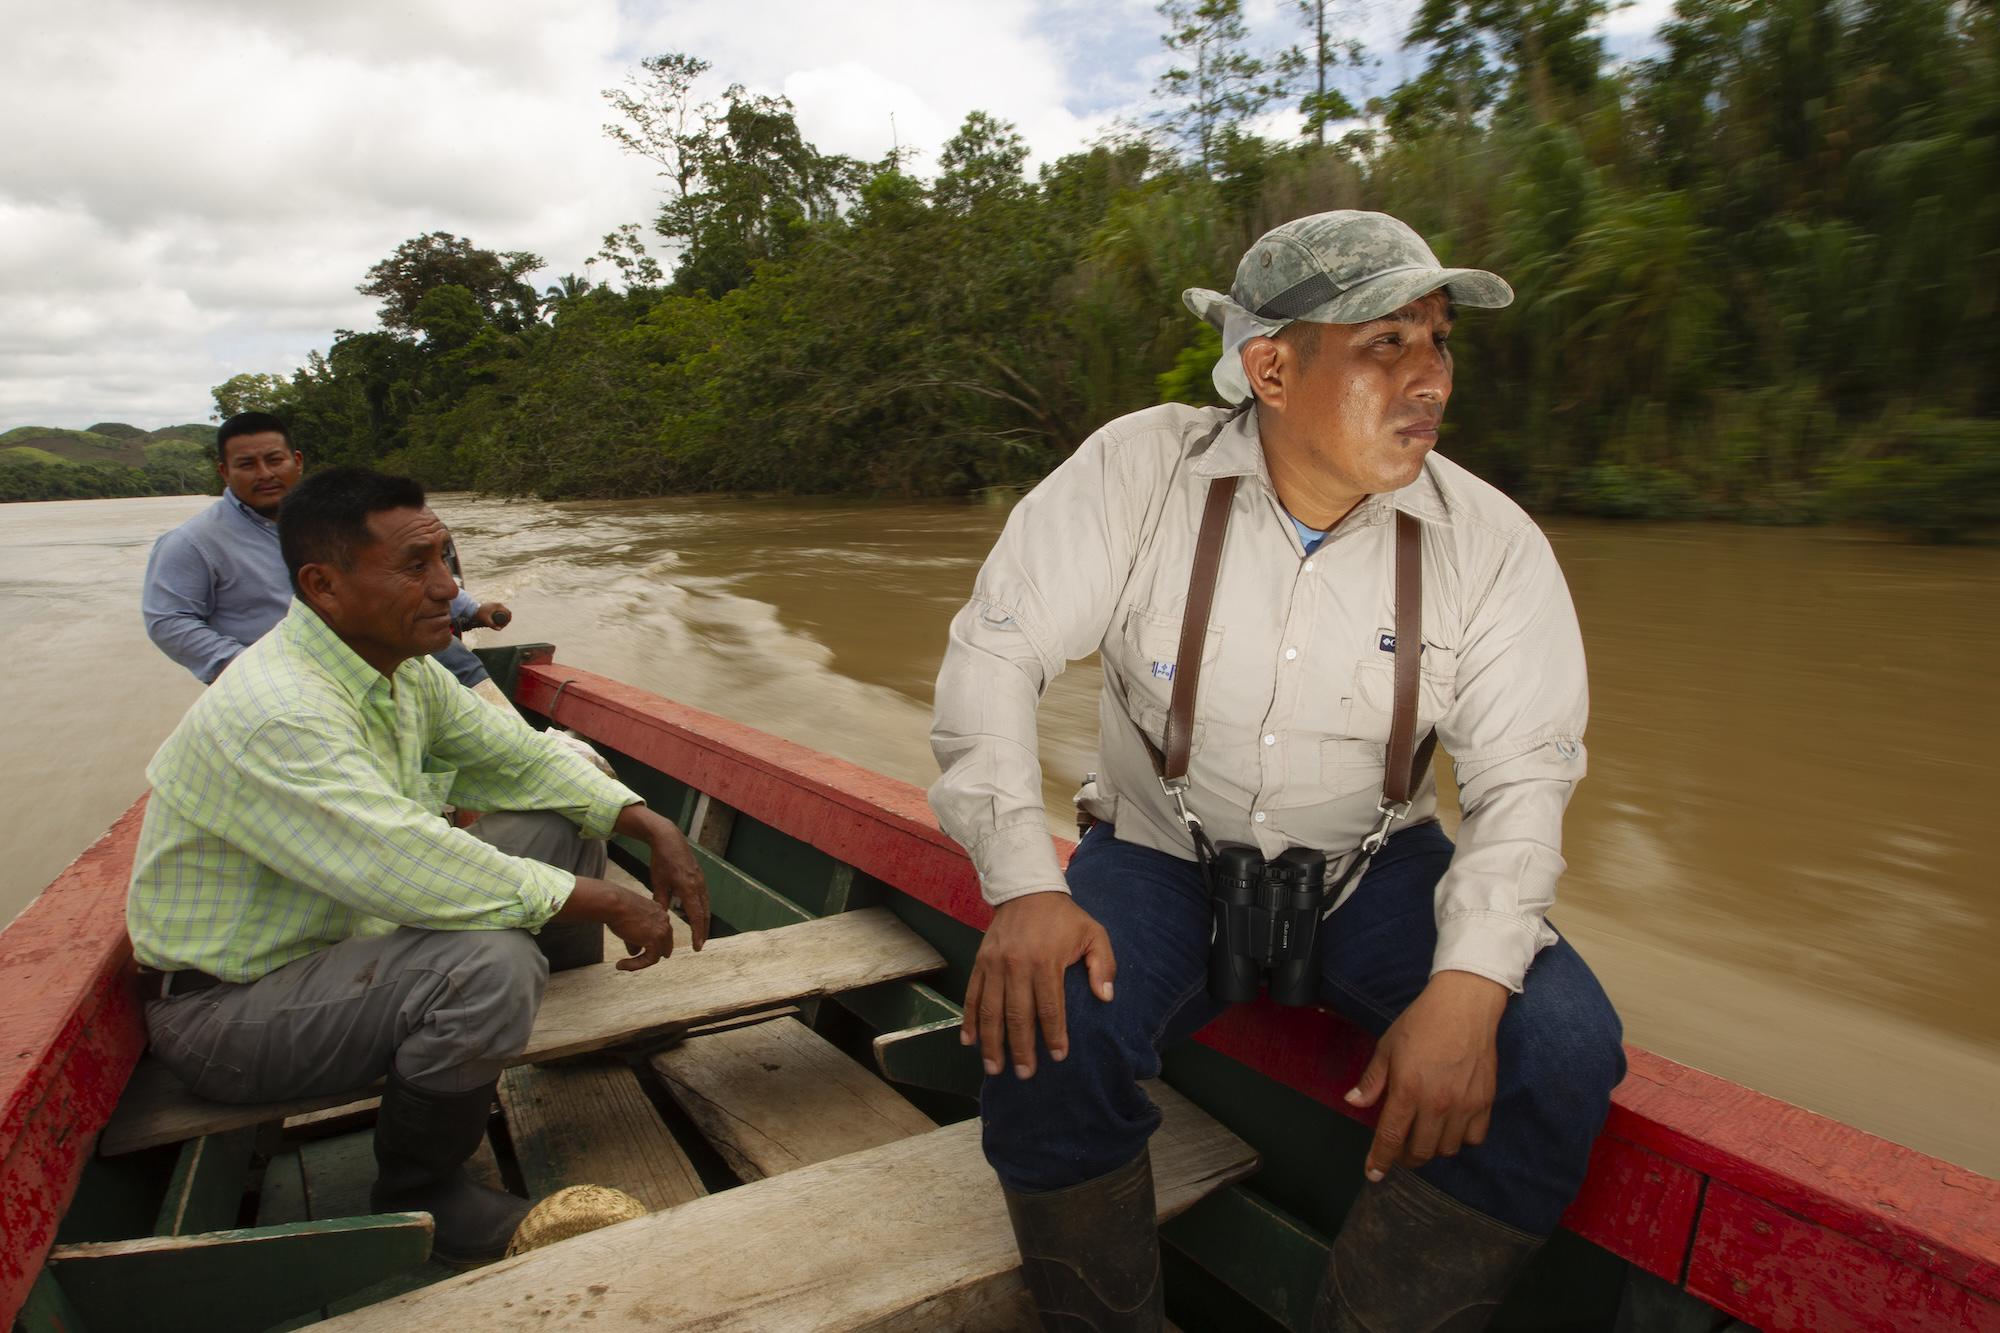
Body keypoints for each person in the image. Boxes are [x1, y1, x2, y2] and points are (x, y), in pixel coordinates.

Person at [929, 211, 1625, 1331]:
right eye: (1384, 344)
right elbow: (992, 656)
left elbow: (1523, 782)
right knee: (1044, 1023)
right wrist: (1023, 884)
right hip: (1159, 854)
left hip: (1377, 869)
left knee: (1554, 1050)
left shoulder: (1488, 543)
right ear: (1268, 368)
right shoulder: (1136, 470)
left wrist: (1470, 983)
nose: (1430, 380)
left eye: (1438, 342)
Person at [127, 466, 713, 1265]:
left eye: (446, 557)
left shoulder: (401, 669)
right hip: (232, 1013)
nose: (448, 587)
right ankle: (420, 1187)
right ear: (323, 585)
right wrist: (611, 900)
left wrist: (648, 823)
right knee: (488, 959)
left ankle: (577, 1030)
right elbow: (403, 864)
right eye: (416, 566)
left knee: (564, 806)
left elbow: (517, 758)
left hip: (345, 951)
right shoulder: (279, 709)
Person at [142, 411, 505, 688]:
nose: (264, 474)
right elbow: (169, 622)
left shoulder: (340, 521)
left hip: (372, 651)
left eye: (274, 460)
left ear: (296, 462)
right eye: (247, 465)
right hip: (286, 676)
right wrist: (243, 665)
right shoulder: (192, 543)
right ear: (225, 472)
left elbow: (403, 572)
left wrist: (471, 608)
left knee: (458, 665)